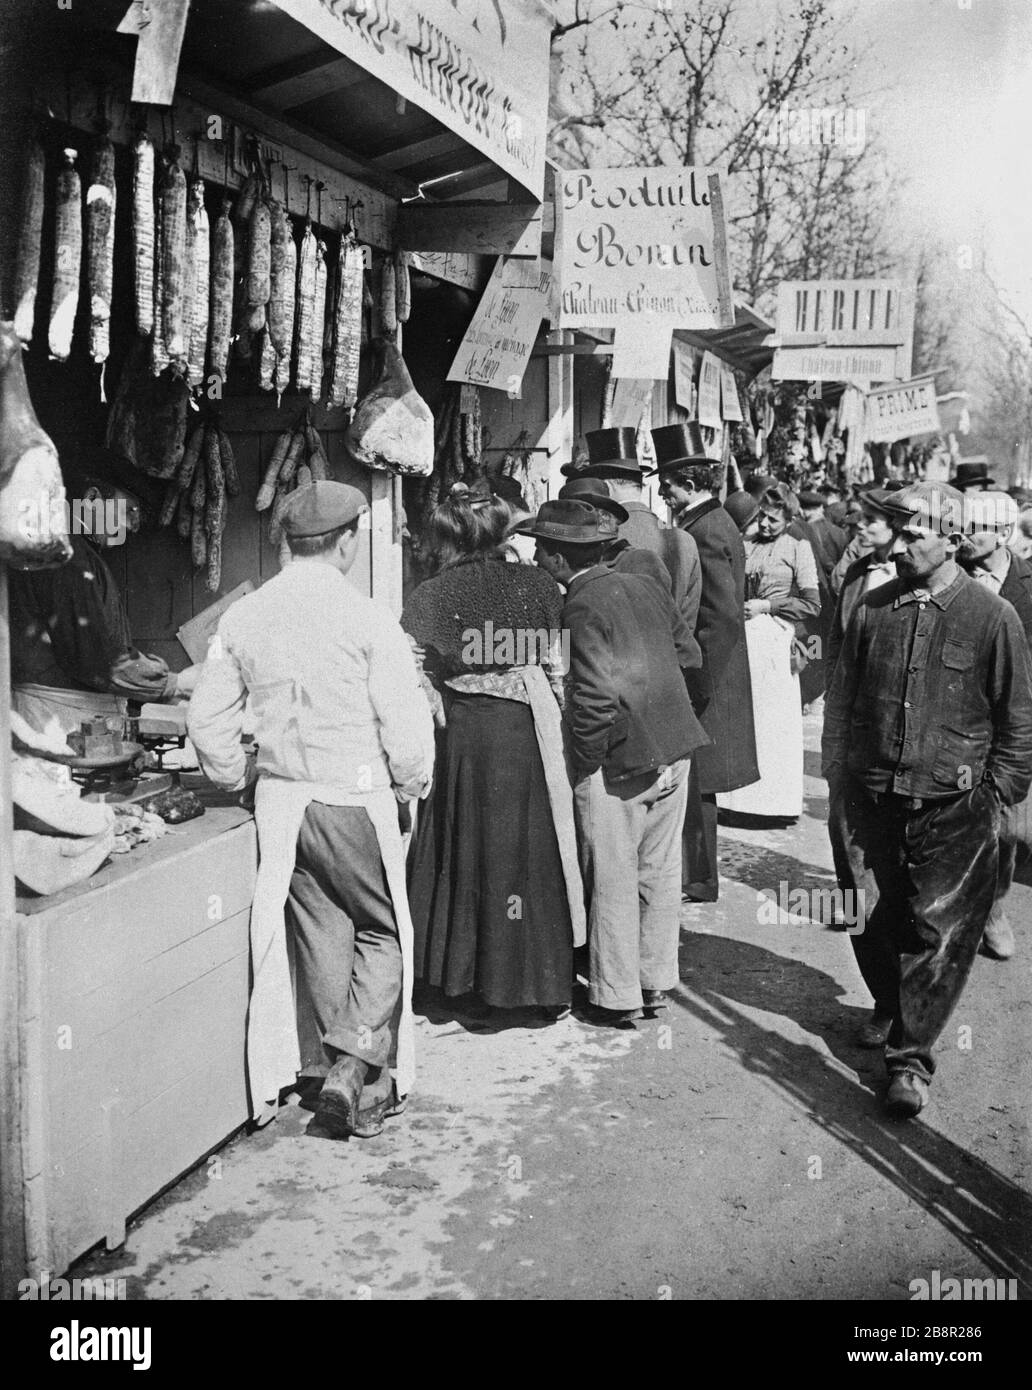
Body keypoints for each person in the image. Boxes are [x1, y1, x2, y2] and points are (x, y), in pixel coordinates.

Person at [188, 482, 436, 1141]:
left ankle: (338, 1077)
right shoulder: (370, 619)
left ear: (287, 543)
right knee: (383, 931)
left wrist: (243, 778)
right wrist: (411, 786)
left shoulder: (240, 619)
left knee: (322, 932)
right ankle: (355, 1070)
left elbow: (206, 724)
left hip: (284, 803)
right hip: (354, 795)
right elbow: (406, 733)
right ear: (349, 541)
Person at [822, 482, 1032, 1118]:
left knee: (936, 931)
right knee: (867, 910)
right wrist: (837, 776)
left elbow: (1017, 721)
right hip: (869, 795)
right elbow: (842, 699)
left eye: (914, 534)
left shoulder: (994, 619)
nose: (899, 545)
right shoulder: (872, 610)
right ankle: (890, 1005)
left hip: (954, 803)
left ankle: (910, 1060)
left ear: (954, 540)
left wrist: (998, 797)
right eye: (897, 531)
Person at [525, 498, 709, 1025]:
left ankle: (616, 995)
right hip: (675, 747)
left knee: (612, 877)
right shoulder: (646, 584)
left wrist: (583, 761)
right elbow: (690, 657)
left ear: (559, 560)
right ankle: (654, 985)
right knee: (658, 872)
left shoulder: (580, 606)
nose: (536, 557)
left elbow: (594, 697)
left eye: (540, 549)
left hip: (622, 759)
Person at [402, 482, 583, 1019]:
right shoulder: (540, 586)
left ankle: (459, 980)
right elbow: (558, 668)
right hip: (523, 731)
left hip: (463, 734)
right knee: (523, 851)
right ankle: (529, 982)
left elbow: (410, 668)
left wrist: (438, 704)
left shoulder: (430, 594)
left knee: (466, 847)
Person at [650, 422, 759, 903]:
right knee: (698, 784)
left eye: (668, 485)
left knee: (698, 783)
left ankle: (699, 878)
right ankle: (698, 875)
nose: (663, 493)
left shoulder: (708, 530)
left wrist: (698, 684)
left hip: (709, 676)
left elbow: (721, 616)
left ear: (689, 484)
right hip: (714, 673)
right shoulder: (713, 522)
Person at [9, 469, 198, 737]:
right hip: (54, 717)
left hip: (62, 715)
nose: (134, 525)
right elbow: (98, 659)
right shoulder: (67, 558)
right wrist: (174, 684)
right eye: (130, 510)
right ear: (92, 499)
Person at [957, 490, 1032, 962]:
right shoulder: (948, 577)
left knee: (1009, 831)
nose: (960, 537)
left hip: (1011, 726)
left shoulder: (1028, 587)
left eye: (974, 529)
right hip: (956, 720)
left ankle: (994, 905)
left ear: (1004, 535)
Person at [717, 493, 820, 820]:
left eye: (773, 520)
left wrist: (769, 606)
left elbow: (812, 604)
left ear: (788, 521)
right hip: (744, 636)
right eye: (762, 517)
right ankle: (739, 802)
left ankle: (773, 805)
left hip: (775, 639)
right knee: (746, 718)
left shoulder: (796, 547)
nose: (764, 524)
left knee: (772, 723)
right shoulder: (749, 543)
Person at [562, 426, 703, 639]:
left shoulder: (599, 538)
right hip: (671, 663)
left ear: (606, 485)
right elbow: (688, 622)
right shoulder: (685, 541)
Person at [825, 487, 900, 677]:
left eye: (870, 520)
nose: (860, 525)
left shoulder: (908, 575)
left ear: (895, 527)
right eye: (862, 518)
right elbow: (837, 636)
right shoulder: (856, 571)